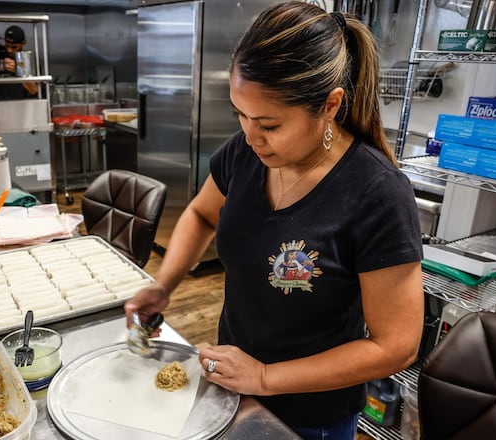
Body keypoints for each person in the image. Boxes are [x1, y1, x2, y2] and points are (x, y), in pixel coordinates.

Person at [124, 2, 424, 439]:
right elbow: (202, 213)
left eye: (268, 123)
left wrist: (264, 376)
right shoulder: (245, 154)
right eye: (240, 115)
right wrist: (163, 284)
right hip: (231, 388)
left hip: (310, 415)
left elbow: (395, 346)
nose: (249, 136)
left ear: (330, 105)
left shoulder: (377, 193)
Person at [0, 25, 38, 101]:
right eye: (7, 46)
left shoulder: (29, 59)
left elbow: (34, 90)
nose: (9, 50)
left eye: (14, 47)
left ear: (23, 43)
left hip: (19, 105)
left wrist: (19, 71)